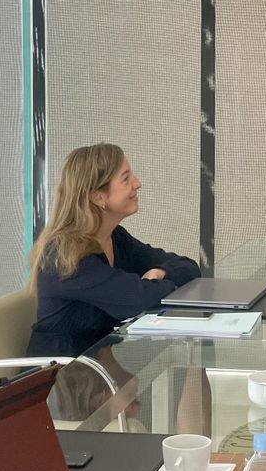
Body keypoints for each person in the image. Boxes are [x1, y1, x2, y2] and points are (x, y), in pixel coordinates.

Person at [27, 144, 202, 357]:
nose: (137, 184)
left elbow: (189, 267)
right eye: (126, 178)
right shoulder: (65, 257)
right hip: (59, 379)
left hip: (100, 363)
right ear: (98, 197)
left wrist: (159, 273)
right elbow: (141, 300)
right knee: (184, 353)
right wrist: (152, 287)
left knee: (189, 352)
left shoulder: (115, 238)